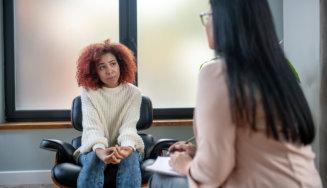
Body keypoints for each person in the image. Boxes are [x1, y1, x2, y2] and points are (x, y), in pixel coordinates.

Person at [149, 0, 323, 187]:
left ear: (226, 21)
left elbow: (211, 174)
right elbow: (260, 153)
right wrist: (198, 154)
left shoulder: (219, 73)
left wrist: (185, 164)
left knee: (160, 178)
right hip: (307, 182)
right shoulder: (280, 72)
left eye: (209, 14)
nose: (206, 22)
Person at [74, 39, 144, 188]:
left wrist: (127, 148)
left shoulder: (134, 93)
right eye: (102, 67)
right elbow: (93, 129)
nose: (110, 71)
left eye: (113, 64)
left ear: (121, 64)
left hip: (124, 146)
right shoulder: (88, 92)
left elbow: (128, 127)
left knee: (131, 158)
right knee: (94, 158)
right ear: (94, 72)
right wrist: (100, 151)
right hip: (94, 148)